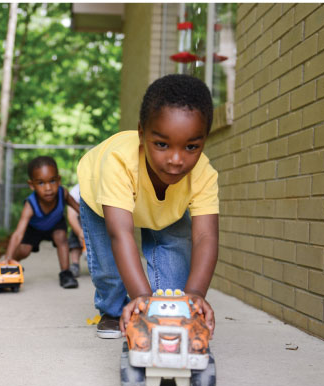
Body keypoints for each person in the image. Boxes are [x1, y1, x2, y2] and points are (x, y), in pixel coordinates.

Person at [74, 74, 221, 340]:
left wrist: (196, 295)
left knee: (176, 296)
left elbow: (205, 236)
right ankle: (111, 310)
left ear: (204, 141)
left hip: (166, 212)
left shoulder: (204, 173)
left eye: (191, 146)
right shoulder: (119, 162)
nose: (176, 160)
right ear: (142, 133)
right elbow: (121, 234)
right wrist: (141, 298)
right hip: (101, 202)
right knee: (110, 269)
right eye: (162, 144)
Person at [0, 156, 85, 289]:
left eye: (52, 181)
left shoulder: (63, 194)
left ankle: (66, 273)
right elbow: (18, 234)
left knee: (61, 237)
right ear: (32, 185)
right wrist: (7, 258)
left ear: (59, 180)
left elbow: (80, 210)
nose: (48, 187)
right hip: (35, 228)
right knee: (24, 250)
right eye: (41, 183)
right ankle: (10, 265)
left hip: (56, 224)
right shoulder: (30, 205)